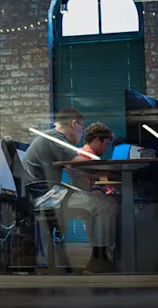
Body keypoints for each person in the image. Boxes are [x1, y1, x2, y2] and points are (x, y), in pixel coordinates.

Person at [22, 108, 118, 273]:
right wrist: (112, 170)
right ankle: (99, 260)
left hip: (42, 193)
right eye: (82, 128)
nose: (82, 134)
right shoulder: (55, 137)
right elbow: (78, 163)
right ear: (74, 124)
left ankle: (99, 258)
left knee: (97, 202)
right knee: (105, 204)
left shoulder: (50, 137)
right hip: (45, 196)